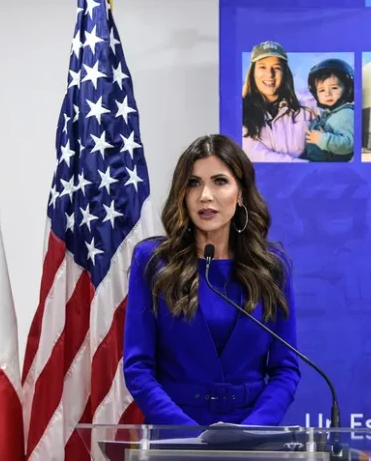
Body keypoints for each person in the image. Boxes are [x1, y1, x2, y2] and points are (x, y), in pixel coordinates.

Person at [123, 134, 301, 426]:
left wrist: (250, 434)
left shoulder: (272, 267)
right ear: (182, 194)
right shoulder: (154, 261)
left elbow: (285, 369)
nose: (205, 195)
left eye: (220, 181)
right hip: (174, 435)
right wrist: (189, 436)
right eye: (194, 183)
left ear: (240, 193)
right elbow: (138, 368)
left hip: (250, 436)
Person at [242, 41, 316, 162]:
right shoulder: (240, 112)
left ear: (285, 73)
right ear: (252, 72)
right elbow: (255, 154)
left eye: (276, 68)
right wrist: (308, 166)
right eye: (262, 67)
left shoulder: (306, 108)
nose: (269, 74)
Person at [302, 59, 355, 162]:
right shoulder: (328, 114)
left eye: (334, 88)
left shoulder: (345, 113)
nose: (327, 94)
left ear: (348, 89)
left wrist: (322, 140)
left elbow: (349, 143)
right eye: (322, 90)